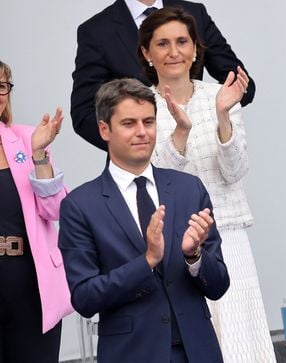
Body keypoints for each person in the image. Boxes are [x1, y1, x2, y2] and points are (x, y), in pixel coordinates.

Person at [137, 7, 276, 362]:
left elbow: (235, 171)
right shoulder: (140, 107)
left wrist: (224, 116)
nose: (173, 52)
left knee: (242, 340)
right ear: (146, 53)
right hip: (173, 240)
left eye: (182, 42)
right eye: (162, 43)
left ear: (196, 50)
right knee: (193, 340)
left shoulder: (221, 95)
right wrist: (180, 133)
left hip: (228, 232)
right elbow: (154, 182)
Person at [58, 78, 230, 363]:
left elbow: (219, 284)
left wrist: (194, 256)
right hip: (131, 354)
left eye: (148, 122)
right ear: (104, 129)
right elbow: (85, 298)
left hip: (198, 352)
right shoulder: (80, 206)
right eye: (129, 124)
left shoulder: (190, 189)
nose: (142, 132)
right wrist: (147, 261)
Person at [71, 0, 255, 151]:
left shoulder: (194, 13)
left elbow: (242, 86)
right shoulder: (96, 30)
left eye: (182, 42)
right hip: (139, 168)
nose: (173, 52)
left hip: (206, 156)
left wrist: (206, 123)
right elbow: (83, 114)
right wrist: (135, 145)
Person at [0, 60, 73, 362]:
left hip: (30, 283)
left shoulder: (29, 139)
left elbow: (57, 210)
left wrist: (40, 155)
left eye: (1, 86)